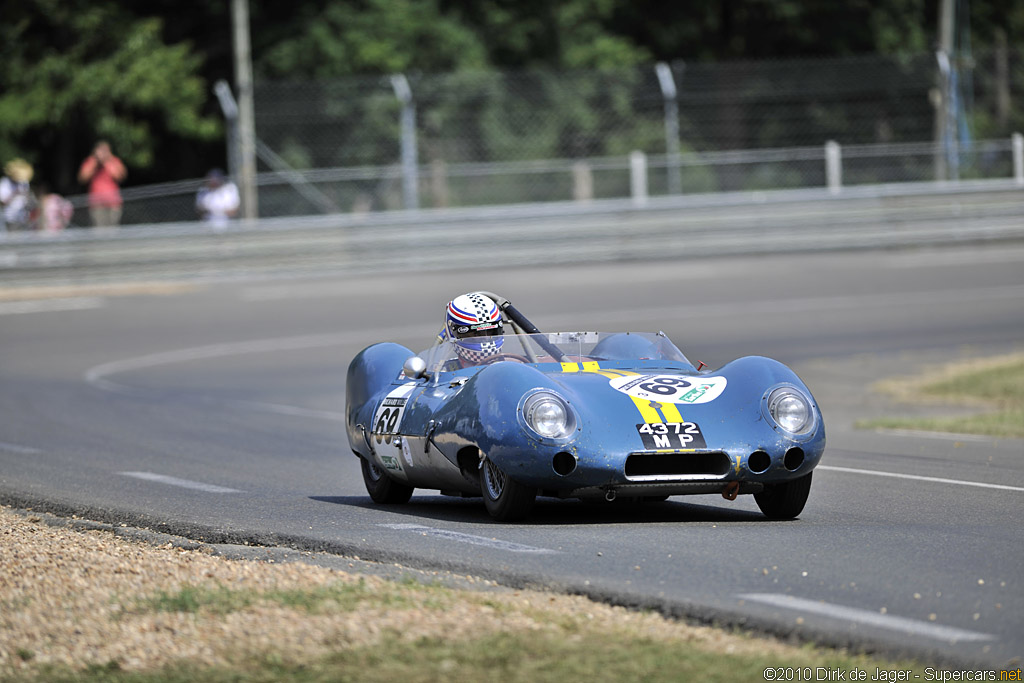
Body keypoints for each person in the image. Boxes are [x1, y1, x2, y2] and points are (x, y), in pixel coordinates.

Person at [439, 292, 505, 367]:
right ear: (452, 332)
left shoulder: (514, 364)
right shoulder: (442, 372)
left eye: (491, 333)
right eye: (476, 334)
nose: (486, 338)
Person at [77, 141, 126, 228]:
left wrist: (107, 162)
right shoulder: (90, 162)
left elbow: (119, 176)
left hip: (113, 203)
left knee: (113, 231)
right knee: (99, 231)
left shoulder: (114, 161)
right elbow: (82, 178)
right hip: (96, 204)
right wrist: (95, 163)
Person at [1, 158, 35, 232]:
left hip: (22, 216)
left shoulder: (23, 182)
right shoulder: (4, 183)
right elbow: (2, 202)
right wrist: (14, 194)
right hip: (9, 217)